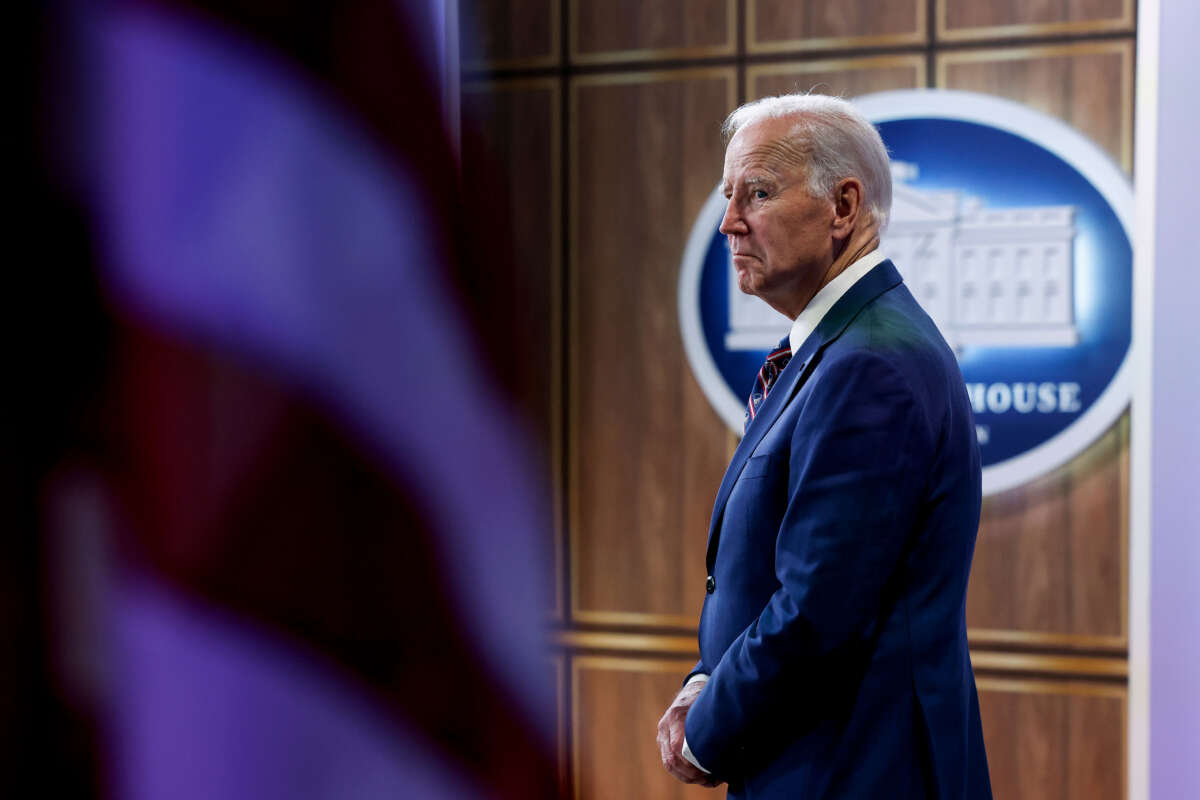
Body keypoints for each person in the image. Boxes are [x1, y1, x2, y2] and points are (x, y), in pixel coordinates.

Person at [656, 94, 992, 799]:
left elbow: (817, 610)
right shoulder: (840, 350)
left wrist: (704, 726)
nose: (728, 222)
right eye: (727, 196)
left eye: (758, 192)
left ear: (844, 207)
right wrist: (705, 677)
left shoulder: (872, 365)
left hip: (858, 772)